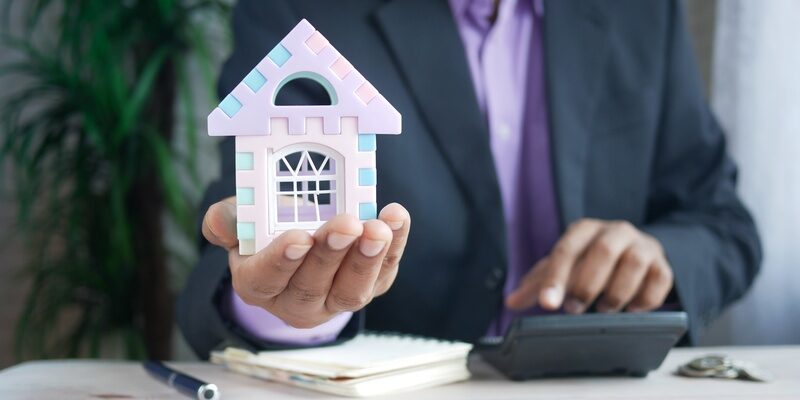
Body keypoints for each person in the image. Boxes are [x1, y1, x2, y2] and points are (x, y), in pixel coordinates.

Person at [177, 0, 761, 358]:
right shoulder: (300, 9)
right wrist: (287, 308)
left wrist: (658, 255)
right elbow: (239, 237)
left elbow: (722, 223)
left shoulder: (641, 9)